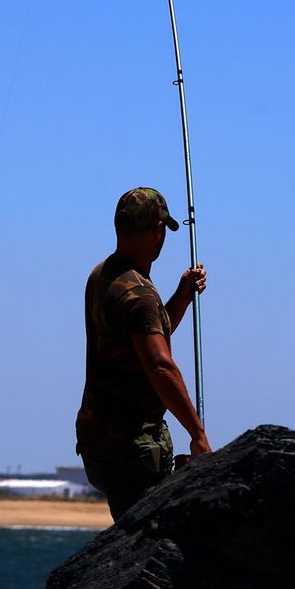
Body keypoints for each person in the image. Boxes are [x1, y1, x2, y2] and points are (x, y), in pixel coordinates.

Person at [75, 187, 211, 520]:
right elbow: (160, 366)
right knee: (149, 542)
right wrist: (198, 436)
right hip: (130, 447)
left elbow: (143, 342)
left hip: (100, 442)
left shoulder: (102, 275)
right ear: (156, 230)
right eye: (161, 227)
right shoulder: (140, 295)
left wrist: (181, 297)